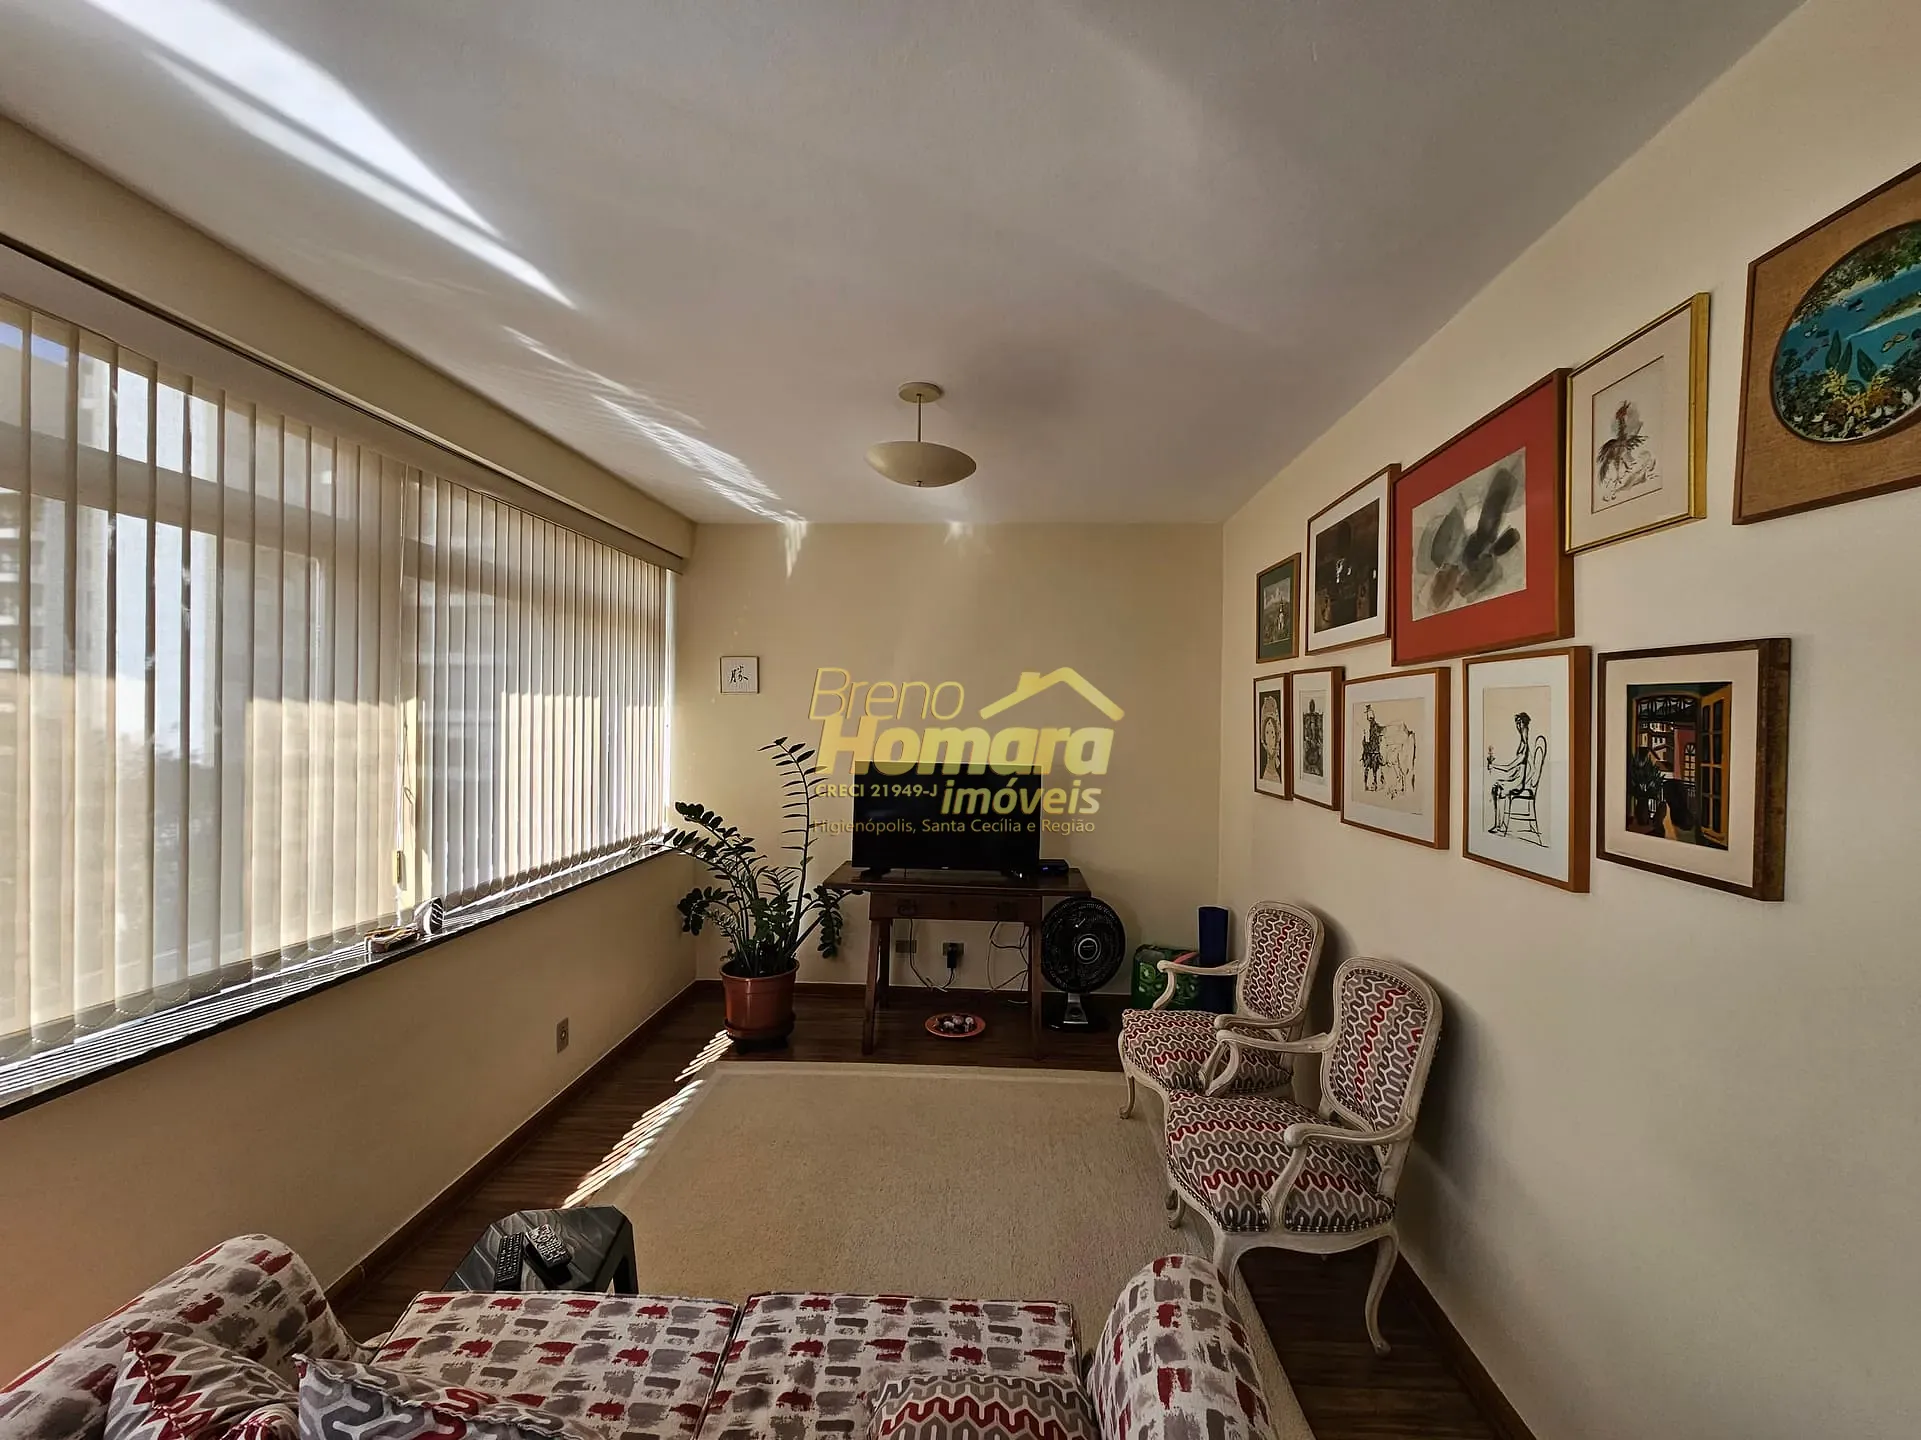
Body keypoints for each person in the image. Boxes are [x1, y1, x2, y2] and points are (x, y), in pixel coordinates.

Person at [1485, 711, 1532, 835]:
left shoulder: (1525, 747)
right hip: (1515, 779)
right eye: (1516, 723)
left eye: (1519, 723)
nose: (1518, 726)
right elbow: (1526, 768)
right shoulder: (1523, 743)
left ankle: (1499, 825)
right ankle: (1498, 824)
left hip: (1518, 782)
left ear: (1524, 724)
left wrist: (1493, 765)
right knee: (1496, 787)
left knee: (1498, 789)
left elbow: (1509, 767)